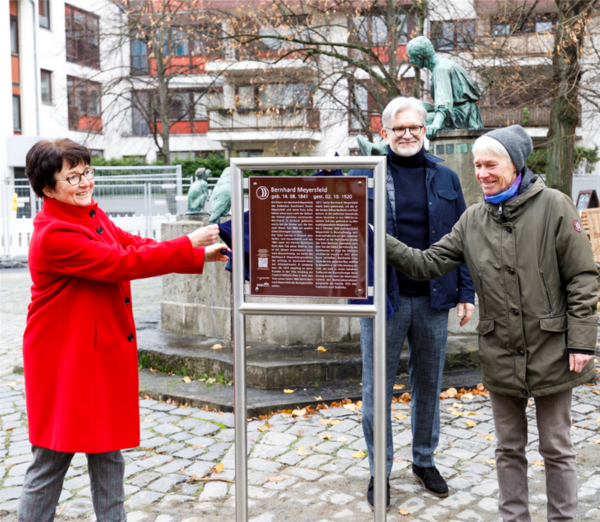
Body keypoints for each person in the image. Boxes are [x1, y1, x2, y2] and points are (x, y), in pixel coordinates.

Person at [385, 125, 597, 521]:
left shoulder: (555, 205)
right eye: (477, 165)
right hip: (499, 348)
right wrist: (377, 238)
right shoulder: (472, 220)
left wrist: (582, 341)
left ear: (515, 165)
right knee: (508, 447)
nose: (481, 173)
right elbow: (427, 263)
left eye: (490, 164)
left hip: (552, 347)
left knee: (557, 447)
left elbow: (582, 277)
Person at [18, 139, 230, 522]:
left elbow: (133, 245)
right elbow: (119, 262)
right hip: (64, 362)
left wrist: (197, 255)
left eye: (88, 172)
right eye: (73, 177)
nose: (85, 183)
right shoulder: (54, 234)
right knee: (50, 460)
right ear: (48, 189)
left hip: (94, 356)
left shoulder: (89, 216)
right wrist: (186, 243)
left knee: (109, 456)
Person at [347, 97, 476, 509]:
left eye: (414, 128)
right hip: (384, 300)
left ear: (425, 131)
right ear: (384, 132)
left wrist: (466, 292)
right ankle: (378, 472)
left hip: (435, 298)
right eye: (398, 128)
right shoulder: (364, 176)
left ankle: (424, 461)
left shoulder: (446, 178)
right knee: (376, 391)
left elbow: (464, 239)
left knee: (429, 387)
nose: (407, 134)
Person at [407, 36, 484, 139]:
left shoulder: (440, 70)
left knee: (410, 120)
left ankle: (385, 147)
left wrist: (436, 124)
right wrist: (420, 105)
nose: (410, 61)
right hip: (464, 113)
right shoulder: (444, 64)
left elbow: (444, 103)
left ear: (420, 57)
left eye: (410, 57)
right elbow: (450, 100)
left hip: (460, 117)